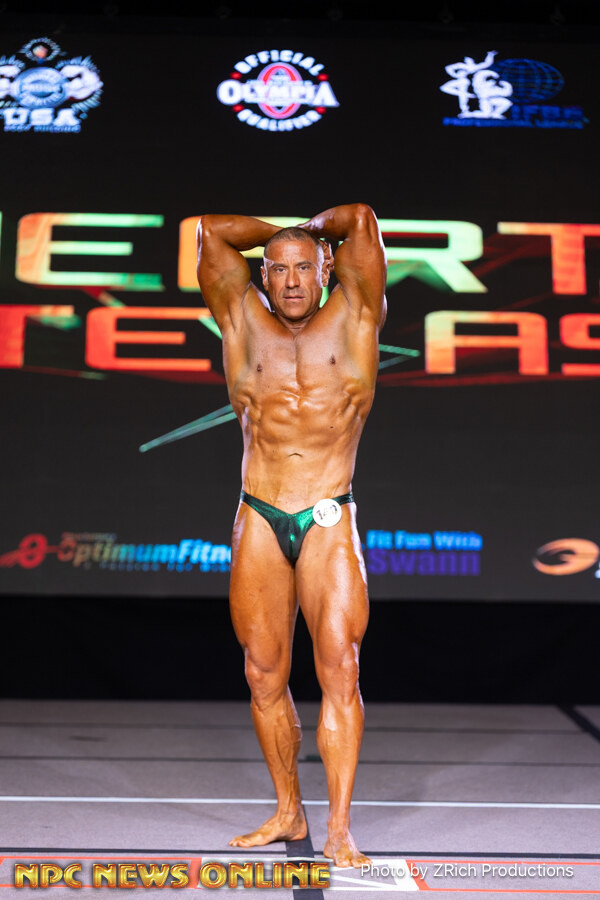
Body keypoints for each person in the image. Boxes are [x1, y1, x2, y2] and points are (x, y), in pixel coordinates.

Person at [196, 204, 386, 868]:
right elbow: (213, 232)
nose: (293, 280)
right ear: (263, 276)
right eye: (278, 269)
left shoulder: (356, 314)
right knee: (262, 672)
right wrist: (285, 235)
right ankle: (287, 811)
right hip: (259, 510)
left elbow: (359, 219)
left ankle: (339, 828)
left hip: (329, 512)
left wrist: (306, 231)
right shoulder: (240, 317)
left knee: (340, 668)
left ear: (326, 269)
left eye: (305, 267)